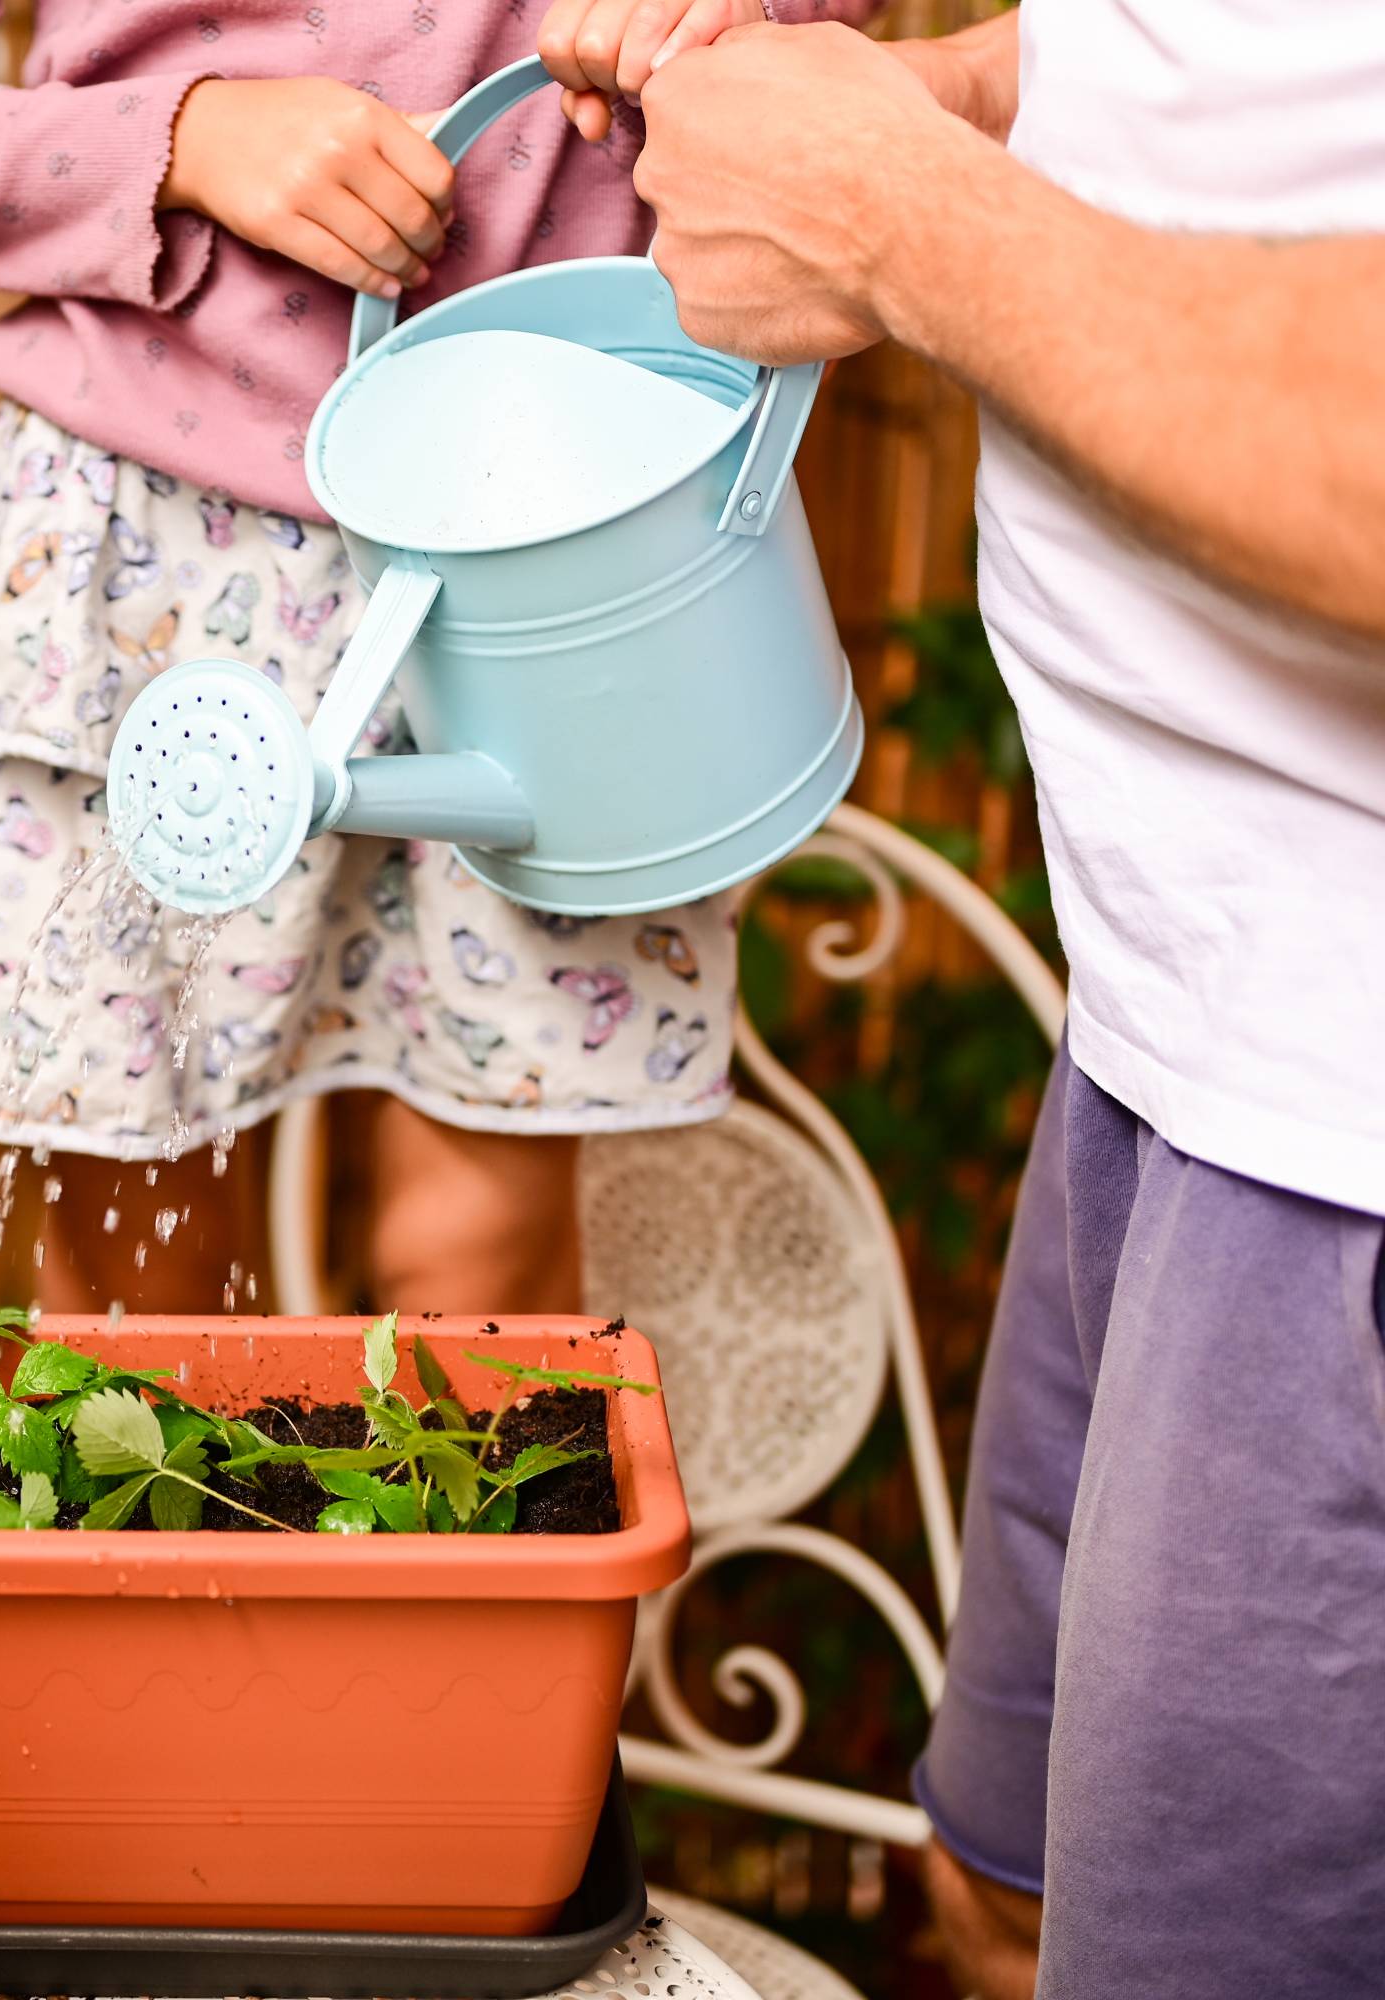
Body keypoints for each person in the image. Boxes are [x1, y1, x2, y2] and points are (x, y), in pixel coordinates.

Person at [579, 4, 1385, 1996]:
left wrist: (892, 208)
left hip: (1344, 1132)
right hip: (1168, 1027)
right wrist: (968, 92)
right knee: (1005, 1898)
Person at [0, 0, 813, 1318]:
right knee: (132, 1273)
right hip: (156, 546)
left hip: (556, 517)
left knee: (482, 1277)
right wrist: (184, 141)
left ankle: (460, 1539)